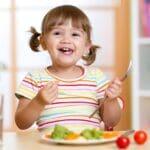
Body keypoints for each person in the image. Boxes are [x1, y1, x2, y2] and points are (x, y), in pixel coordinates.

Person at [15, 5, 124, 134]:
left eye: (75, 34)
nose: (66, 40)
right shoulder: (35, 78)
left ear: (86, 46)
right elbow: (21, 123)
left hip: (89, 145)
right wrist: (38, 102)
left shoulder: (96, 77)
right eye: (57, 33)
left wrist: (111, 100)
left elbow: (111, 122)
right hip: (51, 146)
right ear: (43, 42)